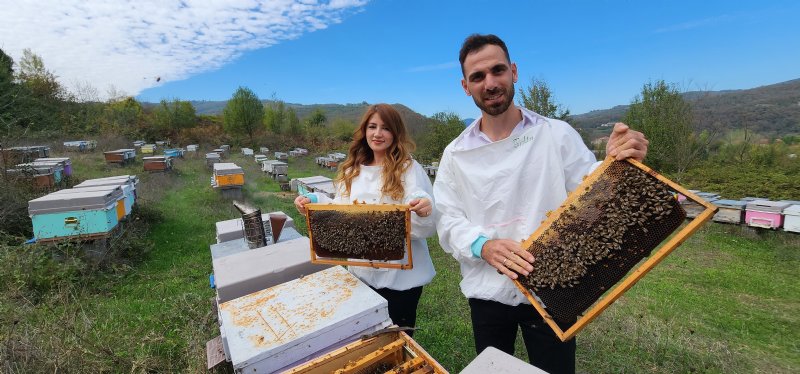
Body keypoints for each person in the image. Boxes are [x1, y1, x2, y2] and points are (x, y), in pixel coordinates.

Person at [433, 34, 649, 374]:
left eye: (497, 70)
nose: (489, 83)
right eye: (478, 76)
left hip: (554, 288)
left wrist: (615, 163)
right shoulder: (455, 154)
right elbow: (447, 219)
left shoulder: (557, 134)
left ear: (514, 72)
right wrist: (482, 245)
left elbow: (590, 189)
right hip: (487, 291)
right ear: (465, 86)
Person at [294, 103, 436, 335]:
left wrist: (423, 205)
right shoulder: (353, 169)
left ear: (396, 133)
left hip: (400, 277)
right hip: (362, 271)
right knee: (367, 333)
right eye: (372, 126)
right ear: (364, 130)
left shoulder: (408, 168)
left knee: (397, 336)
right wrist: (314, 200)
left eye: (385, 128)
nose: (377, 133)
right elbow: (342, 209)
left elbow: (421, 205)